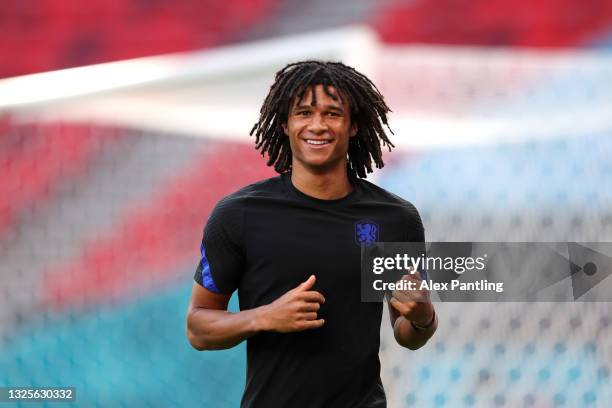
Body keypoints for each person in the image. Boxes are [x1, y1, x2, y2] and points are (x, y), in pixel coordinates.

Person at [186, 60, 437, 408]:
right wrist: (265, 316)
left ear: (352, 126)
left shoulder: (395, 219)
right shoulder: (238, 215)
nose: (317, 125)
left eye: (332, 114)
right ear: (286, 124)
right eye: (304, 112)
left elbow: (407, 334)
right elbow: (198, 328)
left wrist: (423, 317)